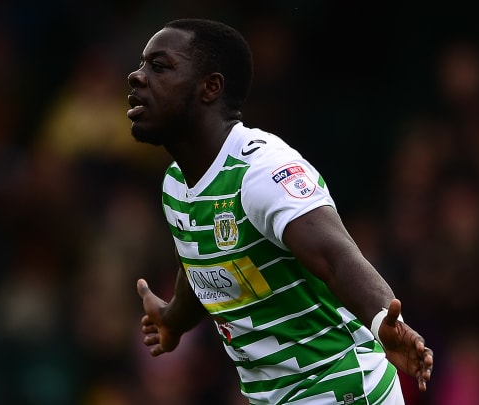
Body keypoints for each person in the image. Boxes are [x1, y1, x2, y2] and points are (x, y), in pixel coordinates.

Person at [128, 18, 434, 404]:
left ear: (210, 87)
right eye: (141, 65)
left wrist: (383, 322)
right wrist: (172, 320)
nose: (137, 77)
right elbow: (205, 264)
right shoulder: (176, 184)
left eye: (159, 66)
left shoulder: (263, 172)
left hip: (339, 387)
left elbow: (337, 257)